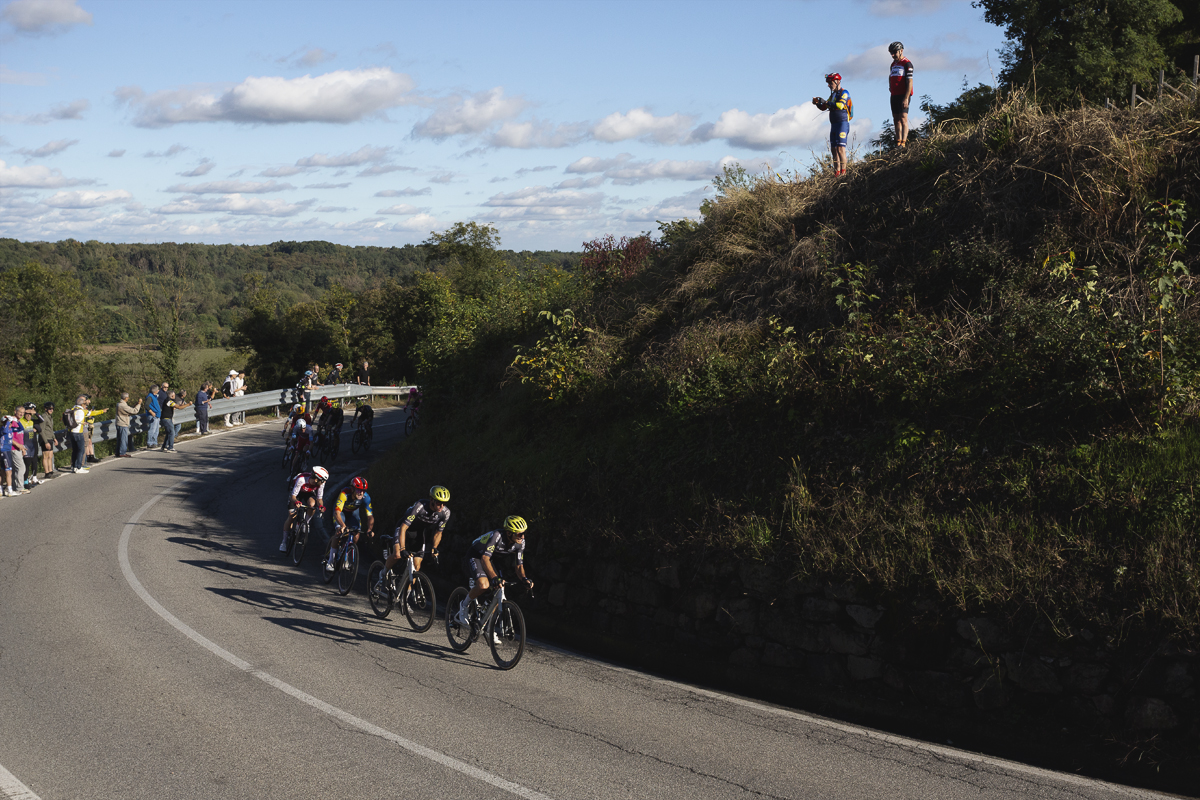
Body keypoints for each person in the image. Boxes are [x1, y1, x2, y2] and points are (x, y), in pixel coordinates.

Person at [453, 515, 534, 627]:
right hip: (477, 555)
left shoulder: (521, 543)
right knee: (483, 585)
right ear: (509, 533)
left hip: (493, 559)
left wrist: (524, 579)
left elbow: (519, 566)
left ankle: (486, 626)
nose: (523, 537)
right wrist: (494, 578)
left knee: (499, 589)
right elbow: (484, 559)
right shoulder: (497, 536)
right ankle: (464, 606)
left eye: (524, 533)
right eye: (520, 534)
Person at [377, 486, 451, 590]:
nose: (441, 506)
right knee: (397, 555)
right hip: (404, 529)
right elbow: (403, 527)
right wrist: (403, 549)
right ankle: (383, 573)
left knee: (416, 567)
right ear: (431, 500)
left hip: (418, 533)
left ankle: (405, 597)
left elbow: (439, 532)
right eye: (439, 503)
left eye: (444, 503)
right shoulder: (420, 506)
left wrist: (434, 547)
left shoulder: (445, 513)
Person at [325, 476, 374, 574]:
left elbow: (370, 516)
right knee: (339, 532)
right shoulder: (344, 494)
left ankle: (347, 556)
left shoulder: (366, 497)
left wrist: (369, 529)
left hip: (353, 513)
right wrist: (342, 525)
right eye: (358, 490)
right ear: (352, 489)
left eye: (363, 491)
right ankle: (330, 561)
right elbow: (337, 513)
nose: (361, 493)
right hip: (341, 512)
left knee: (356, 535)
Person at [281, 465, 329, 552]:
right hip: (297, 493)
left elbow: (319, 499)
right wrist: (296, 502)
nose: (324, 482)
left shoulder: (320, 483)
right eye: (322, 480)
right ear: (316, 479)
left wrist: (321, 506)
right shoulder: (301, 479)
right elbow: (293, 496)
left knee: (313, 505)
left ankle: (306, 523)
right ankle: (284, 542)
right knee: (291, 516)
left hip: (308, 492)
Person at [813, 73, 851, 176]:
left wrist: (826, 102)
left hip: (842, 123)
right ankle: (836, 173)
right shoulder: (833, 95)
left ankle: (843, 173)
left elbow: (840, 105)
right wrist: (818, 103)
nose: (829, 85)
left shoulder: (844, 92)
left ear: (837, 82)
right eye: (828, 83)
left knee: (840, 149)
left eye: (830, 83)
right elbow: (824, 107)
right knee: (834, 150)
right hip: (833, 124)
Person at [888, 41, 914, 148]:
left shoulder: (907, 64)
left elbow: (910, 81)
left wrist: (906, 98)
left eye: (894, 52)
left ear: (901, 51)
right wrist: (890, 86)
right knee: (896, 119)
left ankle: (903, 142)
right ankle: (898, 142)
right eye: (891, 53)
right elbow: (890, 76)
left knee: (903, 117)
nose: (893, 55)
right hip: (894, 94)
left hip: (904, 94)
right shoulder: (893, 64)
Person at [1, 409, 25, 496]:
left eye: (11, 423)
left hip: (7, 451)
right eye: (9, 423)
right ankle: (10, 490)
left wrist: (17, 421)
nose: (11, 424)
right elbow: (5, 430)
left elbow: (21, 429)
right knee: (8, 471)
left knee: (4, 471)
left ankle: (2, 489)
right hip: (4, 451)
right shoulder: (3, 429)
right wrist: (8, 421)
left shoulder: (10, 429)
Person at [36, 402, 59, 479]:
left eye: (52, 409)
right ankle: (47, 472)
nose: (51, 410)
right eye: (49, 409)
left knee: (50, 456)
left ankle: (50, 471)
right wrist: (46, 442)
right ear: (46, 409)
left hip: (50, 438)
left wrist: (54, 438)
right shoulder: (44, 417)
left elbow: (50, 429)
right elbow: (41, 430)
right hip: (44, 439)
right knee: (45, 456)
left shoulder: (50, 417)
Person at [115, 391, 142, 457]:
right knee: (124, 439)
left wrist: (135, 405)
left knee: (119, 439)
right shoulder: (123, 405)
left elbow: (128, 410)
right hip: (123, 423)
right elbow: (134, 411)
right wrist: (139, 404)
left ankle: (118, 452)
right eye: (128, 397)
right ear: (125, 398)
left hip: (119, 423)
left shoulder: (119, 404)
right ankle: (122, 452)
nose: (128, 398)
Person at [67, 395, 89, 473]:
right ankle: (79, 467)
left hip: (71, 432)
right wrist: (102, 411)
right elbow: (90, 413)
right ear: (82, 404)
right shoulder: (81, 411)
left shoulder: (73, 409)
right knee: (81, 450)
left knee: (75, 450)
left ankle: (74, 466)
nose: (85, 405)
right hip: (78, 433)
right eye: (84, 404)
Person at [20, 404, 40, 489]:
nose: (29, 415)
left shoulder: (31, 422)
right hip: (25, 446)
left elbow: (41, 420)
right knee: (26, 465)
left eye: (30, 414)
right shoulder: (21, 421)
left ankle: (28, 480)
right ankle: (25, 482)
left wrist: (35, 413)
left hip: (32, 446)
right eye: (27, 414)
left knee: (30, 463)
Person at [144, 385, 162, 451]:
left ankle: (154, 442)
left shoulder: (154, 397)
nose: (158, 391)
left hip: (157, 415)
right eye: (157, 390)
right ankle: (150, 443)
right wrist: (151, 412)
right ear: (155, 391)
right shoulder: (150, 397)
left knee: (156, 430)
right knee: (152, 430)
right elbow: (146, 405)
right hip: (153, 416)